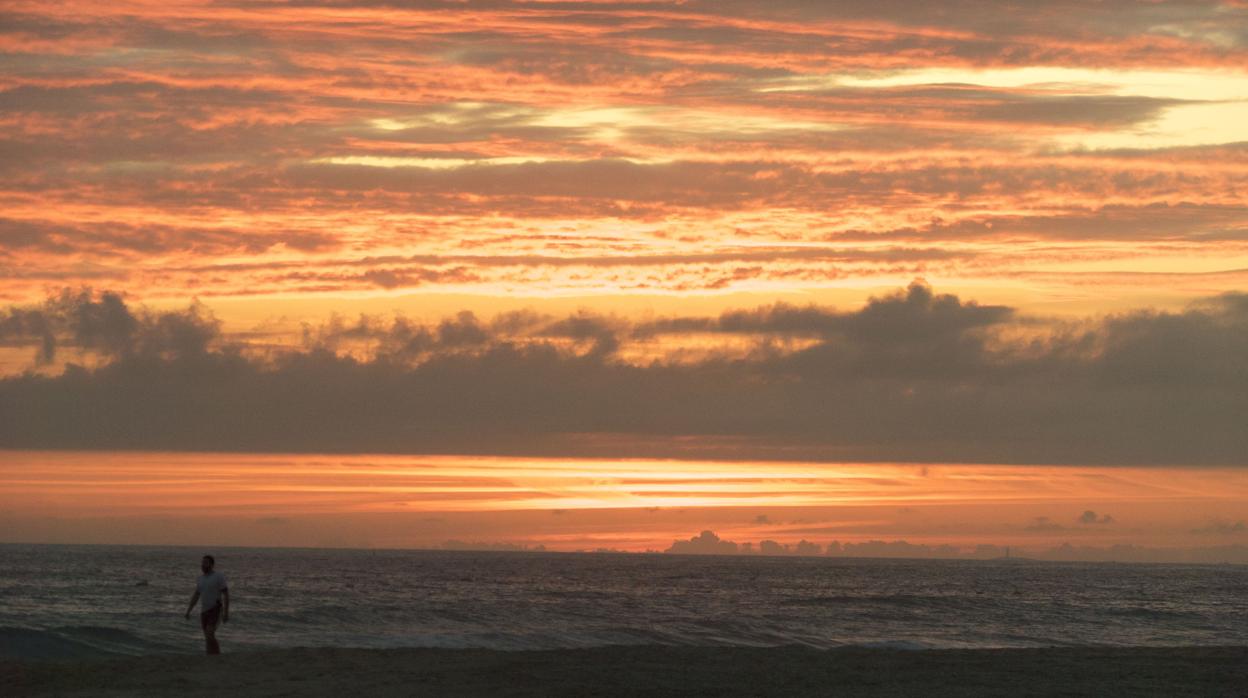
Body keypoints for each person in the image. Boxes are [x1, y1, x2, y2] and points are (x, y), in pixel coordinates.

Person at [184, 554, 229, 655]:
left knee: (209, 634)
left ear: (212, 565)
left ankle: (218, 655)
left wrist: (226, 612)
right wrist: (188, 610)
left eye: (205, 563)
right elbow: (196, 595)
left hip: (216, 609)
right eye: (202, 563)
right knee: (207, 637)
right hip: (204, 611)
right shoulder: (200, 579)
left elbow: (226, 594)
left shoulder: (218, 576)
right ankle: (210, 656)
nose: (203, 565)